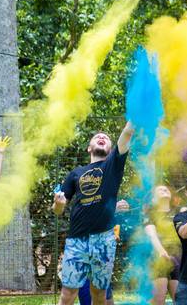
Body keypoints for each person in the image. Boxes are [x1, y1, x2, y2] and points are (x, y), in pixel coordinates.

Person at [53, 122, 134, 305]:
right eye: (97, 136)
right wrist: (59, 204)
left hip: (104, 240)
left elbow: (127, 132)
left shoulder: (113, 165)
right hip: (76, 240)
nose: (102, 137)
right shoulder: (75, 173)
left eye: (106, 137)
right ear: (89, 147)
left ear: (111, 149)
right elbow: (58, 210)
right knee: (67, 294)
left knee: (99, 294)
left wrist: (140, 99)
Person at [146, 184, 181, 304]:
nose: (164, 189)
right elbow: (151, 234)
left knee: (181, 300)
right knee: (158, 301)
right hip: (158, 260)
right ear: (153, 198)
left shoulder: (179, 212)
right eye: (160, 190)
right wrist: (161, 251)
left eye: (166, 189)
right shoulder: (150, 213)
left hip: (178, 260)